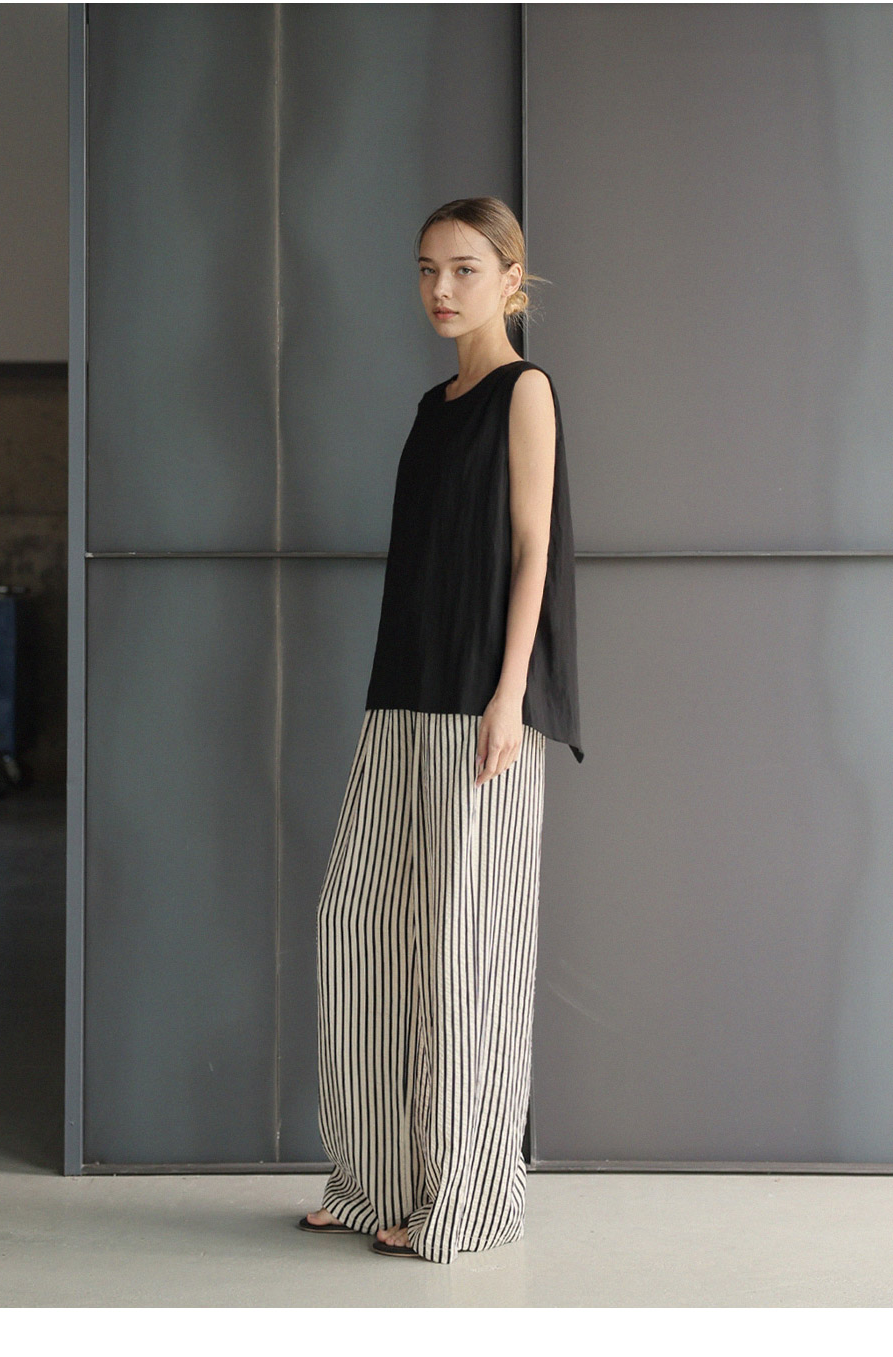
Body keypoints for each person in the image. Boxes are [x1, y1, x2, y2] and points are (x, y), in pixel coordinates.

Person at [299, 197, 583, 1264]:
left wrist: (511, 693)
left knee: (468, 956)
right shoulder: (434, 405)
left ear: (512, 277)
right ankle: (373, 1176)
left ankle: (468, 1197)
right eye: (427, 269)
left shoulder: (525, 390)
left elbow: (533, 545)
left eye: (464, 268)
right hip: (402, 699)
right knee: (361, 927)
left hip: (479, 706)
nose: (441, 289)